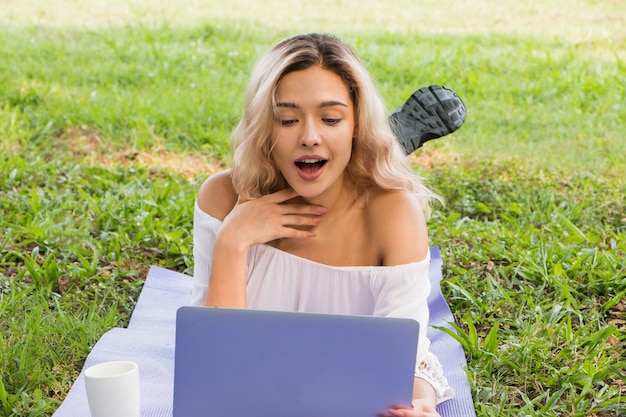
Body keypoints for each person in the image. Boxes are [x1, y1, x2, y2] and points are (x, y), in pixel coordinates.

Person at [191, 32, 455, 417]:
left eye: (330, 119)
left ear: (354, 124)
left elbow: (405, 358)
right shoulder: (221, 197)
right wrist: (233, 239)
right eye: (287, 119)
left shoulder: (395, 214)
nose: (309, 137)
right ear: (264, 128)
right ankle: (374, 147)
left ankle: (375, 150)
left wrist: (420, 404)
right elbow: (213, 368)